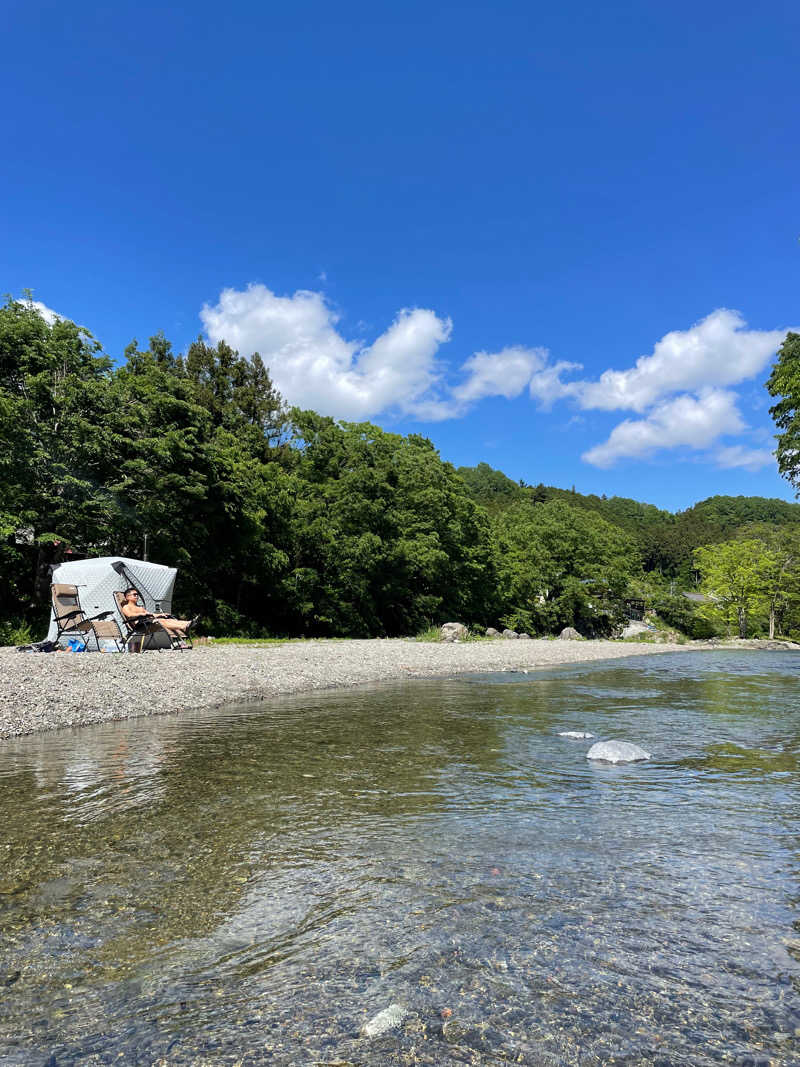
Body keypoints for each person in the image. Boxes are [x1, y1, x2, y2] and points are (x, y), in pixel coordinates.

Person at [119, 588, 199, 639]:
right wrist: (141, 614)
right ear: (127, 597)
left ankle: (187, 623)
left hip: (148, 623)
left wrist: (161, 614)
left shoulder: (140, 607)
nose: (137, 596)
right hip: (140, 627)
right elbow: (129, 615)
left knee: (167, 619)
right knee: (161, 621)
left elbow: (150, 614)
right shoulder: (126, 607)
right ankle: (185, 626)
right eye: (134, 595)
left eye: (137, 595)